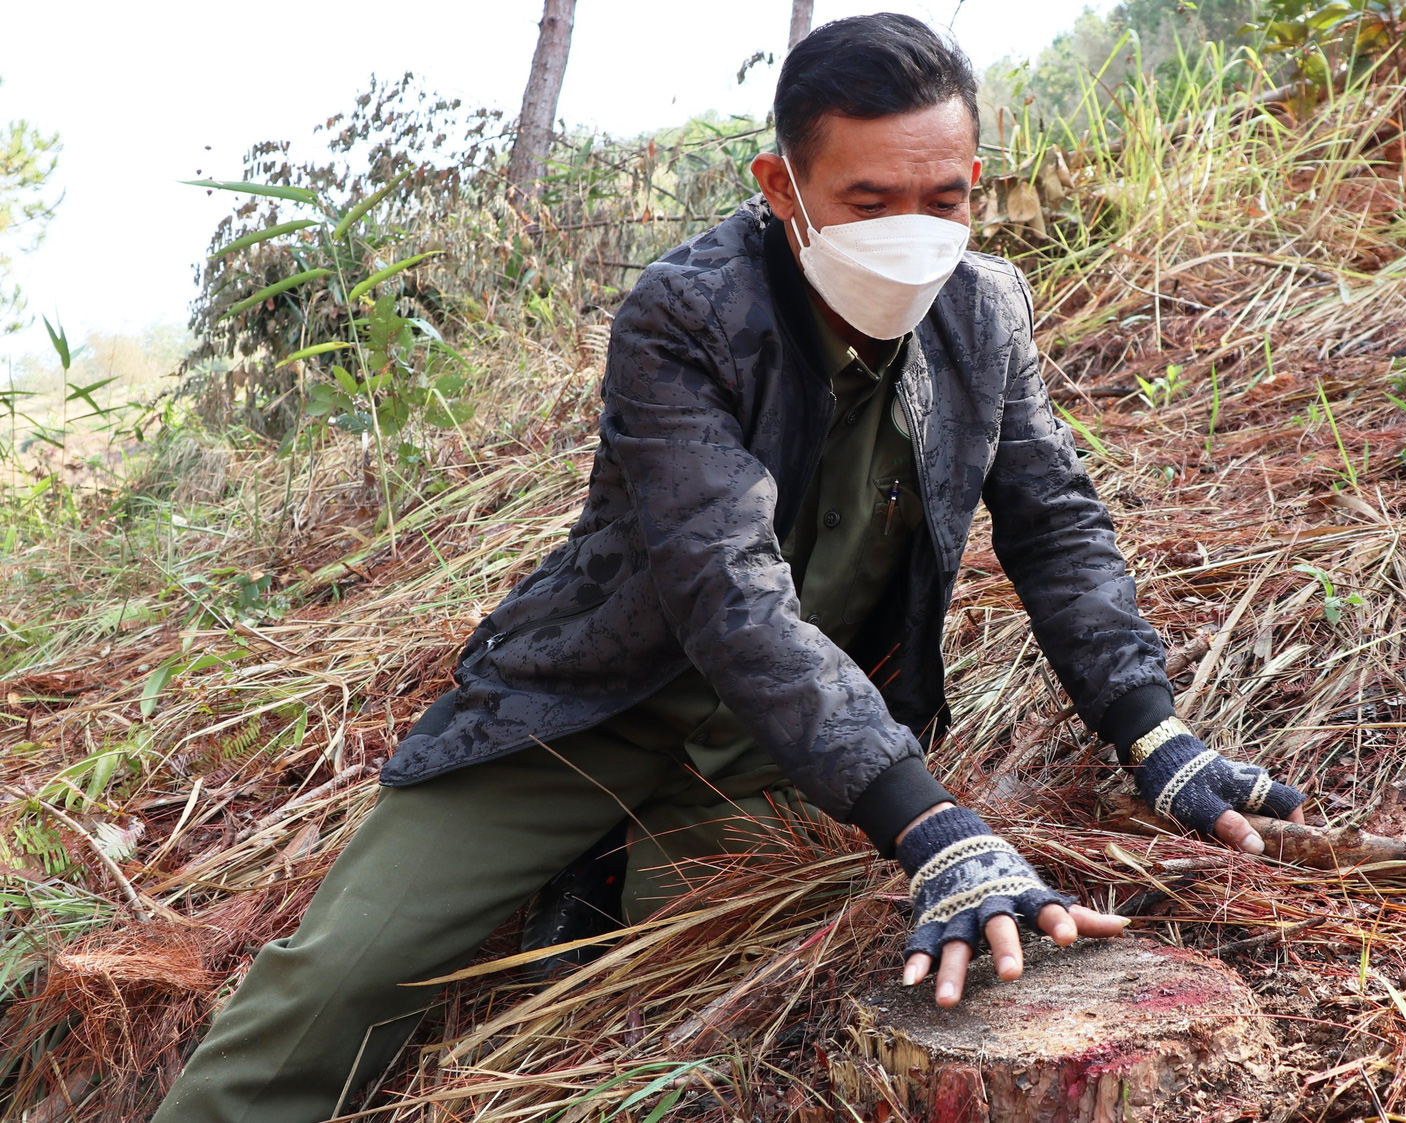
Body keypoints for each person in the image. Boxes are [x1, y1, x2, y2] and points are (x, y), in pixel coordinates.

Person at [152, 14, 1307, 1122]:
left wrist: (1152, 735)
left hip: (786, 743)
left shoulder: (983, 312)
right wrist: (928, 824)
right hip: (585, 704)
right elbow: (726, 589)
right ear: (780, 187)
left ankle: (592, 898)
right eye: (868, 200)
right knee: (343, 977)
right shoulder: (688, 315)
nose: (913, 230)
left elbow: (1054, 525)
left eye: (944, 197)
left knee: (686, 1026)